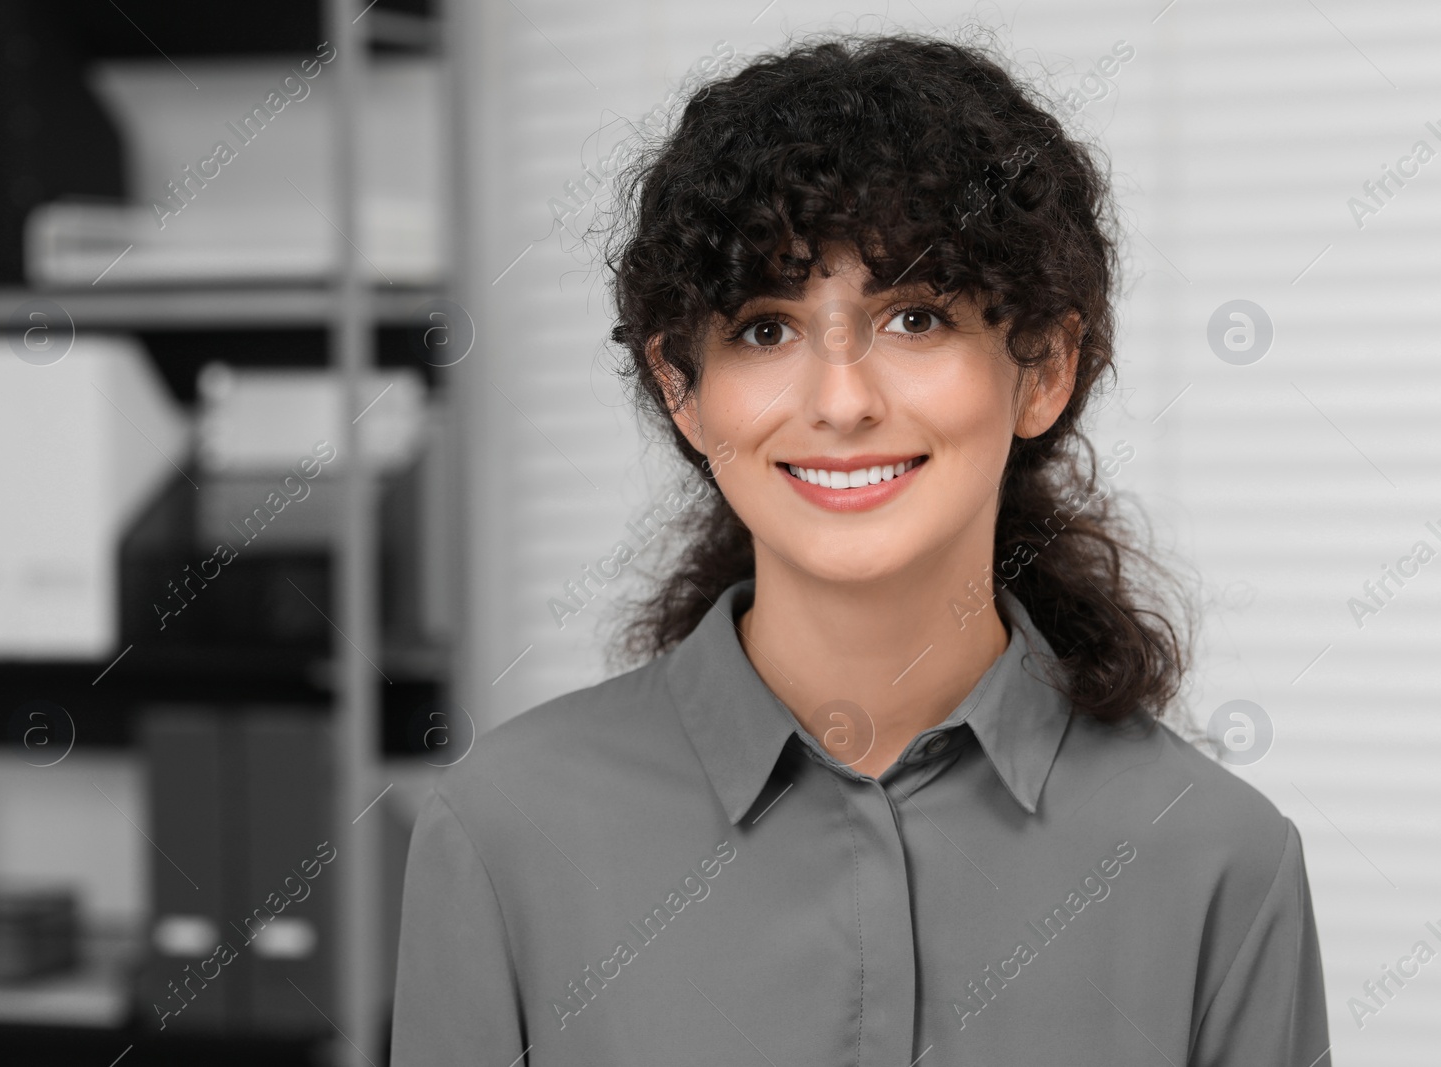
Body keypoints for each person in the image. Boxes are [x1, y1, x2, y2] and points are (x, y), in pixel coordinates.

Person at [390, 32, 1329, 1066]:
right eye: (763, 327)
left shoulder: (1217, 861)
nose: (841, 401)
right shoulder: (505, 831)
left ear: (1044, 368)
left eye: (915, 317)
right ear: (680, 388)